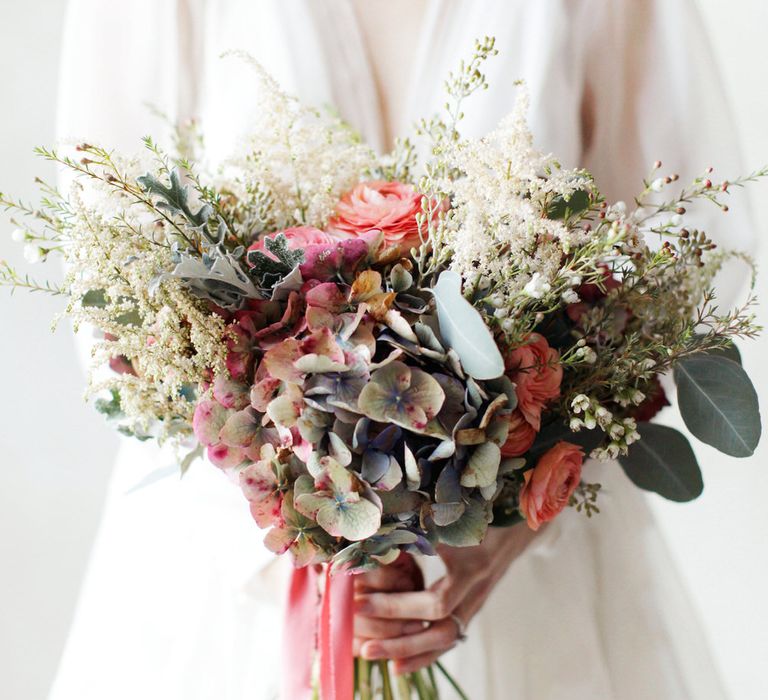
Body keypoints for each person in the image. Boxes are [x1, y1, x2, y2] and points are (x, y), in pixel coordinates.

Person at [50, 1, 753, 698]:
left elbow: (686, 265)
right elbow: (109, 294)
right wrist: (307, 538)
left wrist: (507, 526)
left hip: (525, 591)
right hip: (216, 591)